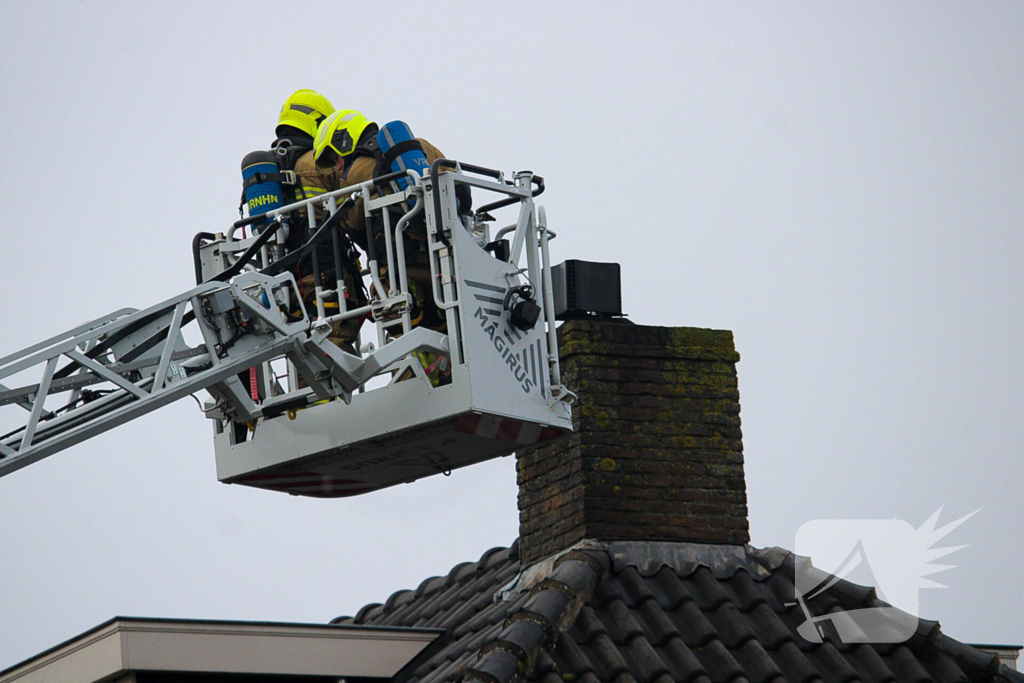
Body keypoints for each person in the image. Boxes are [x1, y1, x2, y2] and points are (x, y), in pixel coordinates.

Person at [312, 110, 454, 334]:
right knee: (450, 325)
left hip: (399, 270)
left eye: (334, 157)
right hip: (445, 260)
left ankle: (423, 368)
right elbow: (458, 187)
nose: (337, 166)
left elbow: (353, 226)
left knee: (402, 329)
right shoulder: (422, 147)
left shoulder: (354, 173)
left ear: (344, 140)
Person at [272, 92, 366, 354]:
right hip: (327, 274)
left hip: (287, 282)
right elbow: (354, 208)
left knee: (304, 350)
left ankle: (315, 396)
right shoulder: (318, 162)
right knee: (332, 346)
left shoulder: (270, 170)